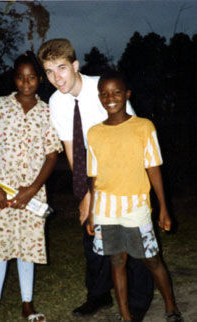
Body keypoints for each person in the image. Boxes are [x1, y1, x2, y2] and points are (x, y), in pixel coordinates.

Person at [37, 38, 154, 320]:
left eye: (62, 68)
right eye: (50, 72)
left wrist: (99, 189)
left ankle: (138, 302)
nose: (57, 78)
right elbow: (70, 146)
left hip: (123, 172)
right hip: (90, 174)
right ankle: (98, 296)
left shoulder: (104, 88)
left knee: (132, 239)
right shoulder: (56, 101)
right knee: (93, 239)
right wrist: (84, 192)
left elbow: (133, 135)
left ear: (75, 65)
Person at [86, 71, 183, 322]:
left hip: (136, 207)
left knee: (151, 259)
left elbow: (153, 168)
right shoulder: (94, 133)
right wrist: (91, 213)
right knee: (116, 261)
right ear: (99, 97)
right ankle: (126, 315)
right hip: (106, 210)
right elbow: (93, 177)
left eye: (117, 92)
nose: (110, 98)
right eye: (104, 93)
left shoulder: (143, 126)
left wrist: (163, 208)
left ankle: (171, 306)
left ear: (127, 95)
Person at [0, 52, 62, 322]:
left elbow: (52, 154)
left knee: (27, 249)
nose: (26, 82)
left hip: (32, 194)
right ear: (14, 79)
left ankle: (27, 304)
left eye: (32, 77)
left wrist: (33, 189)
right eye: (21, 77)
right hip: (0, 192)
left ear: (39, 80)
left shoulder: (47, 111)